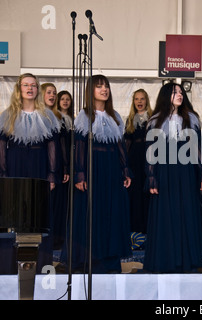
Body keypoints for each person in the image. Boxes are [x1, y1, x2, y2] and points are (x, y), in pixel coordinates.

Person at [0, 73, 60, 274]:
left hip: (39, 167)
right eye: (26, 85)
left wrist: (52, 174)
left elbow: (52, 146)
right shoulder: (7, 115)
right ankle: (6, 264)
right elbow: (1, 147)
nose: (30, 88)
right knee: (13, 215)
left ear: (37, 89)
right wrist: (3, 174)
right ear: (19, 89)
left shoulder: (48, 116)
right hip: (15, 167)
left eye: (33, 85)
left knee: (38, 215)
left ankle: (40, 262)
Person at [61, 74, 132, 274]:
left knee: (111, 212)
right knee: (92, 212)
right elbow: (80, 146)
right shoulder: (84, 115)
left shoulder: (115, 116)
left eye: (106, 86)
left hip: (111, 170)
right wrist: (80, 174)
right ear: (90, 90)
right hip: (93, 169)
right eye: (99, 86)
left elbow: (120, 146)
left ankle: (109, 260)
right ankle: (89, 259)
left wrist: (125, 169)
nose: (104, 89)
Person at [143, 82, 202, 273]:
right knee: (166, 212)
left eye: (181, 92)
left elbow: (198, 148)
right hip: (164, 171)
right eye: (174, 92)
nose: (179, 95)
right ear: (166, 96)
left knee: (187, 212)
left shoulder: (191, 119)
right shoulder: (155, 120)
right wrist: (151, 177)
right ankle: (166, 258)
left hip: (187, 171)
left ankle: (186, 259)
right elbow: (150, 152)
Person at [41, 83, 70, 250]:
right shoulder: (37, 115)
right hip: (41, 162)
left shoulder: (59, 117)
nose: (52, 95)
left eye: (54, 93)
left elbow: (62, 143)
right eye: (48, 92)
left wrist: (65, 166)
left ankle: (56, 239)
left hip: (57, 166)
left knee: (58, 204)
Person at [123, 89, 153, 238]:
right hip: (135, 160)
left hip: (149, 158)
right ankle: (135, 230)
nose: (139, 102)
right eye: (136, 99)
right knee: (135, 195)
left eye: (142, 99)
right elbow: (126, 144)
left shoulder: (153, 118)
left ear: (146, 101)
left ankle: (149, 228)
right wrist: (125, 165)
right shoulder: (130, 120)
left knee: (148, 192)